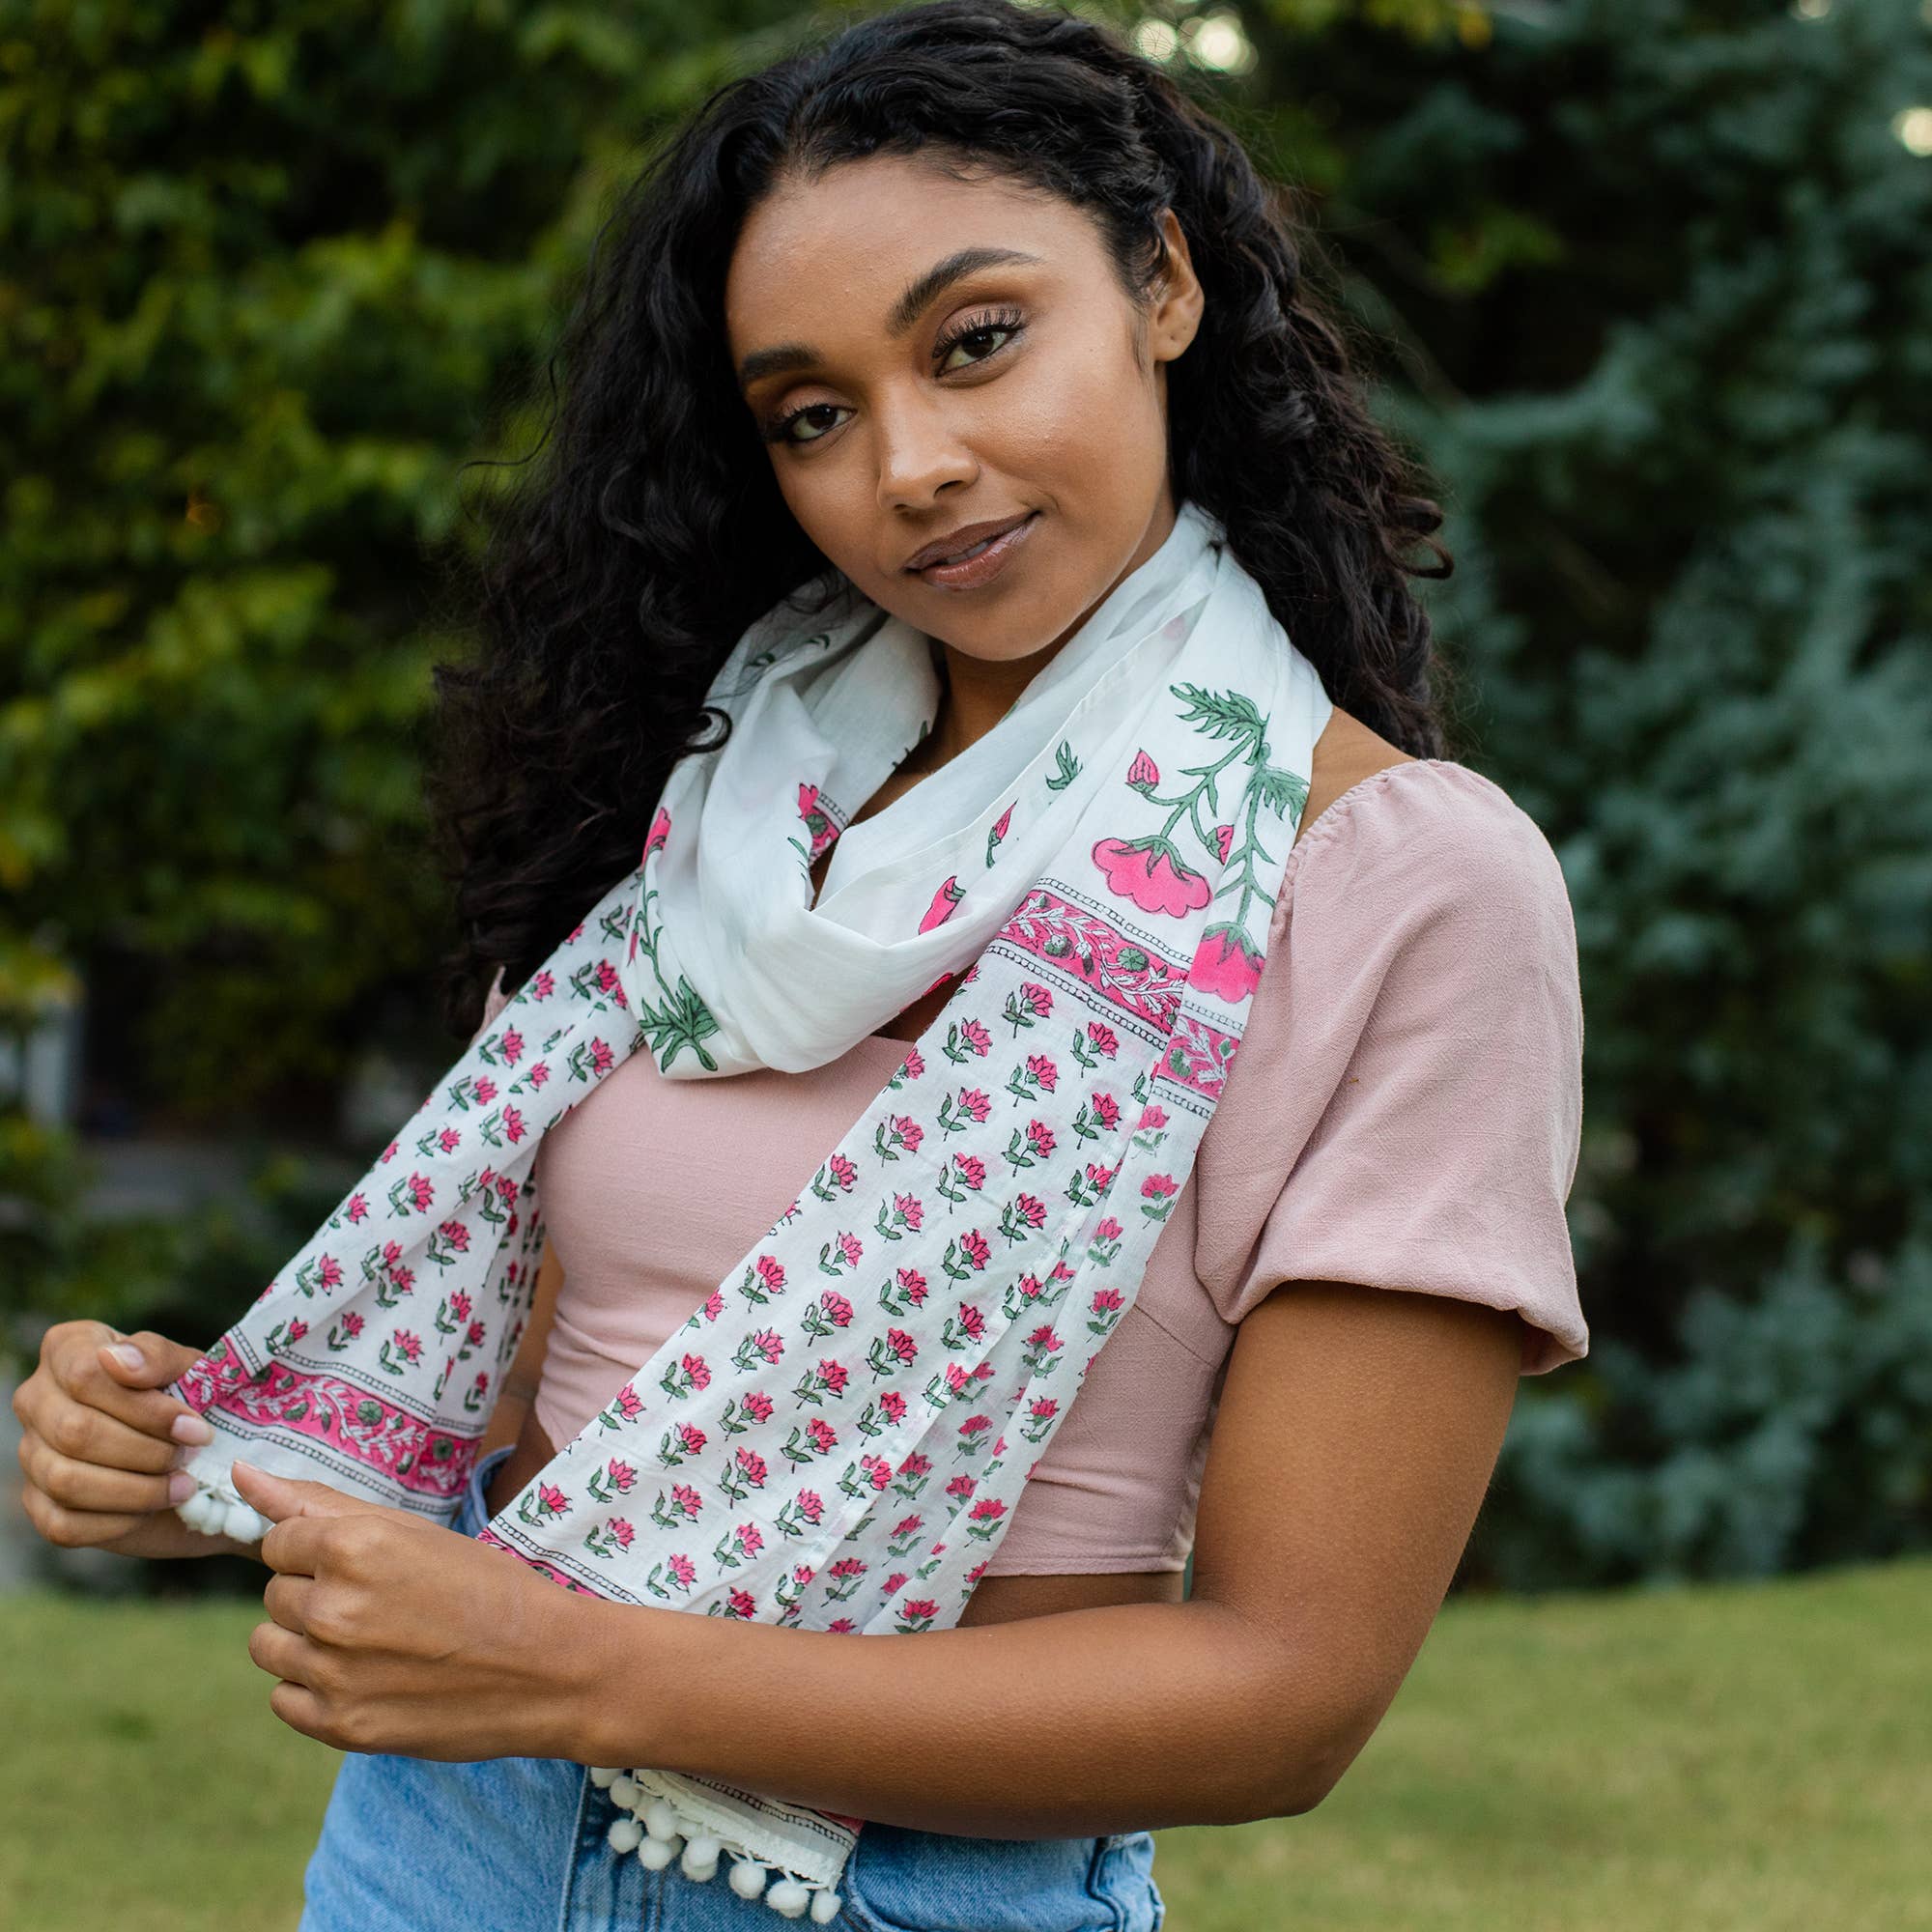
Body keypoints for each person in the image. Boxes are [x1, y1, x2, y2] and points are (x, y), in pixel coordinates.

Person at [12, 3, 1588, 1927]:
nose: (911, 465)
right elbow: (552, 1419)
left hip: (902, 1894)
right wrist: (200, 1434)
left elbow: (1286, 1692)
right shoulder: (720, 804)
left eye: (979, 339)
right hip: (447, 1848)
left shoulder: (1392, 885)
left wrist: (581, 1667)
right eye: (811, 415)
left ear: (1161, 282)